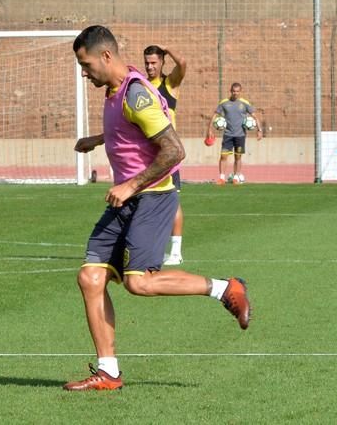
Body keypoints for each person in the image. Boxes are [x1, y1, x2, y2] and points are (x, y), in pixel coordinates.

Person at [66, 25, 251, 391]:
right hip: (127, 200)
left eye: (86, 64)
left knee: (139, 283)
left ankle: (225, 288)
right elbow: (130, 130)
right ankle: (109, 372)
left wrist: (131, 184)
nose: (83, 73)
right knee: (90, 277)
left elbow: (174, 151)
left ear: (106, 56)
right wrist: (99, 139)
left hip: (152, 197)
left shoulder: (137, 95)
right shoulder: (117, 91)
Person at [143, 44, 186, 265]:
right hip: (147, 154)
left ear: (161, 62)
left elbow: (183, 64)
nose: (150, 66)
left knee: (172, 201)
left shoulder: (169, 84)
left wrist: (168, 49)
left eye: (154, 62)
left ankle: (176, 252)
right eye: (147, 63)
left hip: (168, 153)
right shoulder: (141, 86)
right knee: (146, 200)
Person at [207, 83, 262, 185]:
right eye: (233, 91)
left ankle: (236, 177)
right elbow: (214, 116)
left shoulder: (244, 103)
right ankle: (222, 178)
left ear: (240, 91)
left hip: (240, 135)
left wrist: (259, 130)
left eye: (237, 91)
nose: (235, 93)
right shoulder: (224, 103)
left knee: (238, 157)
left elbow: (255, 116)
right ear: (230, 91)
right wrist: (209, 130)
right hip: (228, 134)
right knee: (223, 156)